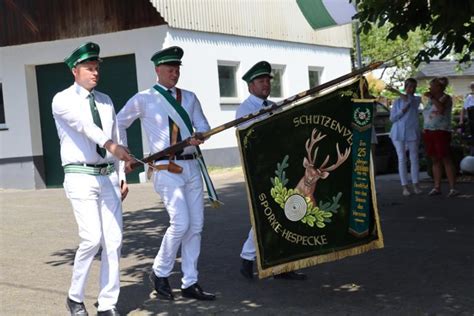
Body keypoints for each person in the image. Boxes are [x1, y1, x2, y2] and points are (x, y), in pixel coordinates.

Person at [117, 46, 216, 301]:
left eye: (177, 68)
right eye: (170, 68)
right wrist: (125, 152)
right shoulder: (144, 98)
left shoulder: (190, 97)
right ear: (157, 70)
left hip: (192, 165)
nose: (175, 72)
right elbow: (119, 122)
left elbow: (203, 125)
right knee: (180, 222)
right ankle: (159, 273)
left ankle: (190, 282)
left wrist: (200, 135)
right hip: (165, 168)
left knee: (196, 226)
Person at [53, 42, 133, 316]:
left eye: (97, 68)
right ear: (75, 71)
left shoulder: (106, 100)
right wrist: (112, 147)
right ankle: (75, 298)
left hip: (107, 176)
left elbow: (119, 136)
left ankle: (107, 304)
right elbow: (87, 128)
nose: (95, 73)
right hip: (80, 175)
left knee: (114, 240)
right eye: (89, 68)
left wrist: (122, 173)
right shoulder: (62, 100)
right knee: (91, 239)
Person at [236, 61, 307, 281]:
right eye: (260, 81)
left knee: (284, 214)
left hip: (280, 168)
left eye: (268, 80)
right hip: (260, 169)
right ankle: (248, 259)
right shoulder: (245, 109)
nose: (266, 84)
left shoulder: (275, 105)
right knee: (266, 215)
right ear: (250, 86)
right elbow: (252, 137)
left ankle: (280, 265)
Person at [422, 77, 458, 197]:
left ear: (438, 87)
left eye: (432, 86)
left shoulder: (445, 98)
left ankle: (453, 188)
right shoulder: (430, 100)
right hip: (429, 131)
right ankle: (437, 187)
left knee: (445, 158)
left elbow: (441, 109)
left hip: (441, 131)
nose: (429, 88)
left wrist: (432, 97)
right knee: (434, 159)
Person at [389, 78, 422, 196]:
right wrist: (401, 111)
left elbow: (409, 100)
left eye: (413, 87)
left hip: (412, 132)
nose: (411, 89)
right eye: (409, 87)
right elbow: (392, 119)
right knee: (402, 158)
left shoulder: (416, 99)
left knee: (414, 158)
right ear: (405, 86)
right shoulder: (397, 102)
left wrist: (394, 90)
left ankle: (416, 184)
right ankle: (405, 186)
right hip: (398, 133)